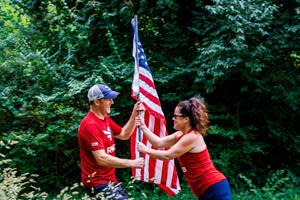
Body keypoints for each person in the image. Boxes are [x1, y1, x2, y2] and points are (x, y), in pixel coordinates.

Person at [135, 97, 231, 200]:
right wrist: (143, 126)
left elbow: (167, 155)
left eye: (176, 116)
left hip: (214, 187)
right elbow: (158, 142)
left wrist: (145, 150)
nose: (173, 118)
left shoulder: (191, 137)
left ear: (186, 119)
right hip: (206, 190)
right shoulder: (180, 135)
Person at [78, 83, 144, 200]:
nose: (112, 102)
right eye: (108, 99)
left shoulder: (105, 119)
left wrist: (134, 115)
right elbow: (101, 159)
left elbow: (124, 134)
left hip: (109, 181)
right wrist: (132, 163)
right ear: (97, 102)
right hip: (97, 183)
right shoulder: (89, 125)